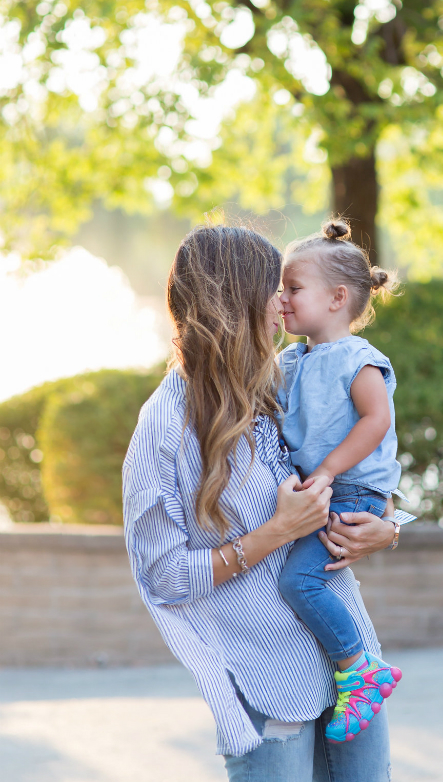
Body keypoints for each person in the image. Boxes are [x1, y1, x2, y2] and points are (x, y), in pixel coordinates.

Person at [122, 224, 400, 781]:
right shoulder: (166, 424)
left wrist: (387, 525)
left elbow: (361, 458)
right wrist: (274, 532)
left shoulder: (282, 381)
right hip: (268, 682)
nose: (283, 301)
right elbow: (165, 578)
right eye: (274, 287)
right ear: (235, 299)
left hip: (353, 672)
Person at [276, 220, 405, 744]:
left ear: (337, 298)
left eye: (292, 289)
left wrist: (327, 470)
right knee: (302, 578)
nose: (280, 299)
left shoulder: (358, 359)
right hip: (329, 487)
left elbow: (377, 420)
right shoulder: (290, 360)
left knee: (299, 580)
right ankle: (352, 669)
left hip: (351, 489)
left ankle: (360, 668)